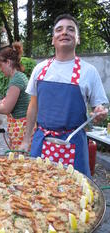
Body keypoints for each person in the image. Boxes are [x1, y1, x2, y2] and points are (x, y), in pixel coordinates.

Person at [20, 14, 109, 177]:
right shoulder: (40, 69)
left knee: (75, 192)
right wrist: (26, 140)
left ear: (78, 39)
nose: (64, 33)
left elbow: (99, 107)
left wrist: (99, 112)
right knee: (36, 187)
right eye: (59, 30)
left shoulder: (89, 71)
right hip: (42, 141)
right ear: (53, 39)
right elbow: (33, 106)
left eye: (70, 29)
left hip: (74, 142)